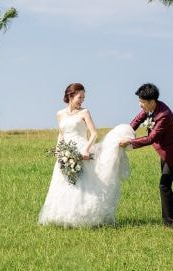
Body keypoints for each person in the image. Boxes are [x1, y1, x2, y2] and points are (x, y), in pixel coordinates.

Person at [38, 83, 134, 227]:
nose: (82, 100)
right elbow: (61, 134)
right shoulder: (60, 114)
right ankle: (62, 216)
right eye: (79, 97)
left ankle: (83, 217)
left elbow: (94, 133)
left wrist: (86, 149)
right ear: (70, 96)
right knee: (64, 182)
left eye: (83, 97)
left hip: (81, 150)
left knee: (82, 183)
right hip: (65, 152)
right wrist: (58, 151)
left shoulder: (84, 112)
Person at [119, 83, 173, 227]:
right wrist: (124, 132)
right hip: (164, 150)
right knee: (172, 174)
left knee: (164, 185)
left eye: (142, 102)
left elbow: (150, 139)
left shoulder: (163, 115)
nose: (139, 104)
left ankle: (170, 225)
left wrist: (129, 142)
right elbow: (137, 120)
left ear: (151, 101)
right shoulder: (150, 109)